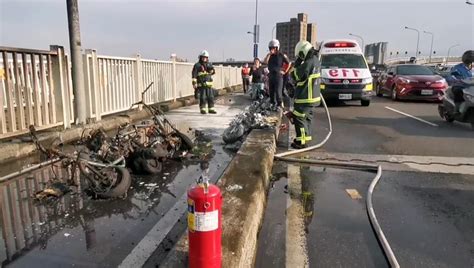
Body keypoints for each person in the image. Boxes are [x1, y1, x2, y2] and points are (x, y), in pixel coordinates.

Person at [289, 40, 321, 149]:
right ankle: (305, 137)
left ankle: (301, 142)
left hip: (305, 97)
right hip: (314, 98)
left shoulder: (308, 63)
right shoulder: (316, 61)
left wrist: (297, 63)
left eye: (300, 55)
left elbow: (295, 75)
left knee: (299, 118)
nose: (301, 57)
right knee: (307, 118)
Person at [264, 39, 290, 108]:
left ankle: (280, 107)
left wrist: (284, 71)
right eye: (270, 48)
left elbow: (288, 63)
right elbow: (265, 62)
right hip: (271, 76)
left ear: (277, 47)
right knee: (271, 93)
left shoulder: (281, 55)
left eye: (273, 48)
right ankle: (272, 105)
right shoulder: (269, 56)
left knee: (278, 93)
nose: (272, 49)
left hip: (278, 76)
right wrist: (269, 54)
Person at [192, 50, 216, 114]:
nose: (204, 58)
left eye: (206, 57)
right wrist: (194, 83)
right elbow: (194, 75)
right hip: (201, 85)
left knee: (210, 97)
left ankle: (211, 109)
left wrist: (212, 71)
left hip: (209, 85)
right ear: (200, 57)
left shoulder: (209, 64)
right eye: (203, 57)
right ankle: (203, 109)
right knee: (203, 97)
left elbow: (213, 71)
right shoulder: (197, 65)